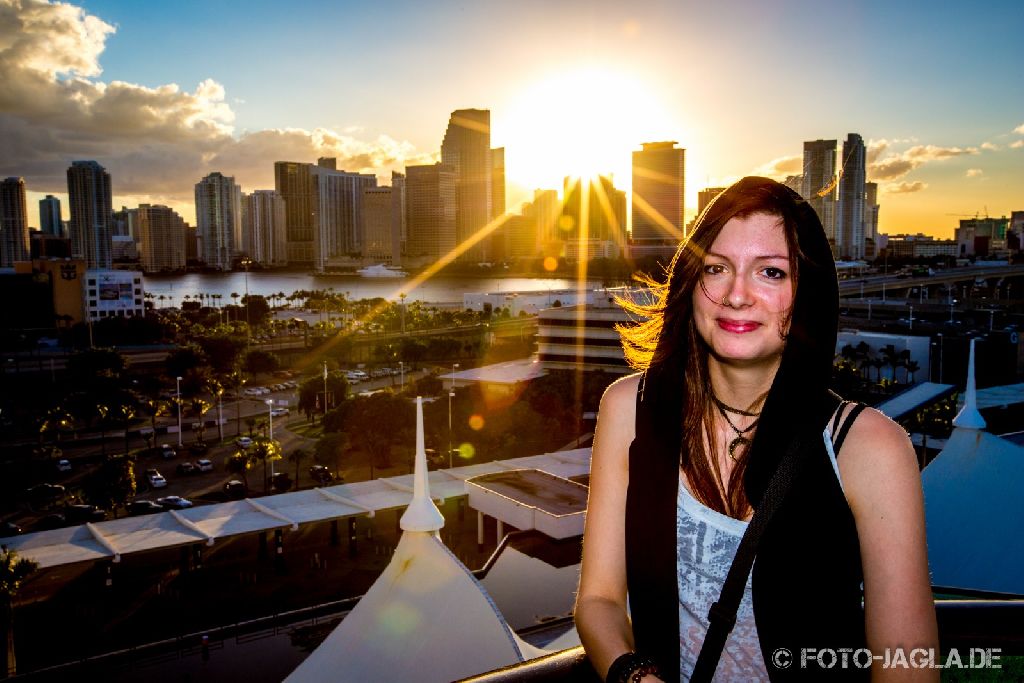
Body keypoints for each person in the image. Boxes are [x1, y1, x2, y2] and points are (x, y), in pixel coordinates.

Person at [574, 177, 937, 682]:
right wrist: (636, 677)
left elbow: (907, 668)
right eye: (716, 268)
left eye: (770, 272)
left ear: (806, 296)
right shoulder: (628, 411)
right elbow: (598, 600)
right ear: (690, 284)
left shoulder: (869, 448)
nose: (736, 295)